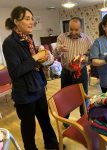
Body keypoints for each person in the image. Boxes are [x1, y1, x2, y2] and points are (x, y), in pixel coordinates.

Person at [2, 6, 60, 150]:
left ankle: (52, 145)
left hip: (38, 87)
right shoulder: (9, 43)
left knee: (45, 120)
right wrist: (35, 58)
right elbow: (15, 71)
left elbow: (32, 64)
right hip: (24, 93)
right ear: (16, 21)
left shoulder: (28, 39)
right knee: (29, 127)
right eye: (27, 19)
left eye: (32, 19)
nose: (31, 22)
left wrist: (42, 59)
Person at [55, 17, 92, 119]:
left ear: (81, 28)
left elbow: (92, 56)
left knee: (83, 97)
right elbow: (55, 54)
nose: (73, 32)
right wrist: (59, 49)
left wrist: (86, 58)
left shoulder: (87, 39)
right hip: (66, 72)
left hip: (81, 72)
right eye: (71, 29)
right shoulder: (62, 38)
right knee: (65, 97)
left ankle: (84, 118)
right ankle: (65, 120)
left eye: (76, 29)